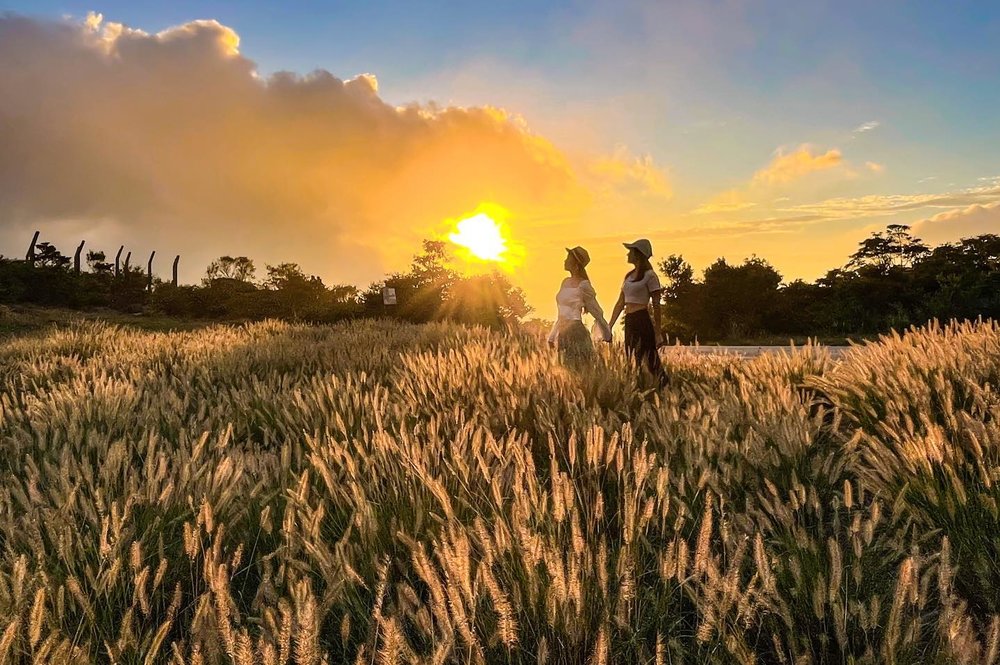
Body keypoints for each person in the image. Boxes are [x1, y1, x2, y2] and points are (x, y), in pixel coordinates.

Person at [608, 238, 669, 386]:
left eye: (631, 251)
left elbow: (656, 305)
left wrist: (658, 332)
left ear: (638, 254)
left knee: (650, 358)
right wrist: (609, 326)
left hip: (642, 319)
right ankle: (639, 386)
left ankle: (664, 385)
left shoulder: (650, 276)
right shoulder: (628, 277)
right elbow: (620, 303)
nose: (628, 254)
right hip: (629, 320)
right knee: (631, 358)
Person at [547, 246, 612, 364]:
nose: (565, 260)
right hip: (563, 333)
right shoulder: (565, 282)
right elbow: (561, 315)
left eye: (568, 258)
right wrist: (552, 336)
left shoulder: (584, 285)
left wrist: (607, 334)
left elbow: (596, 311)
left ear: (576, 264)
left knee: (578, 366)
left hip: (576, 332)